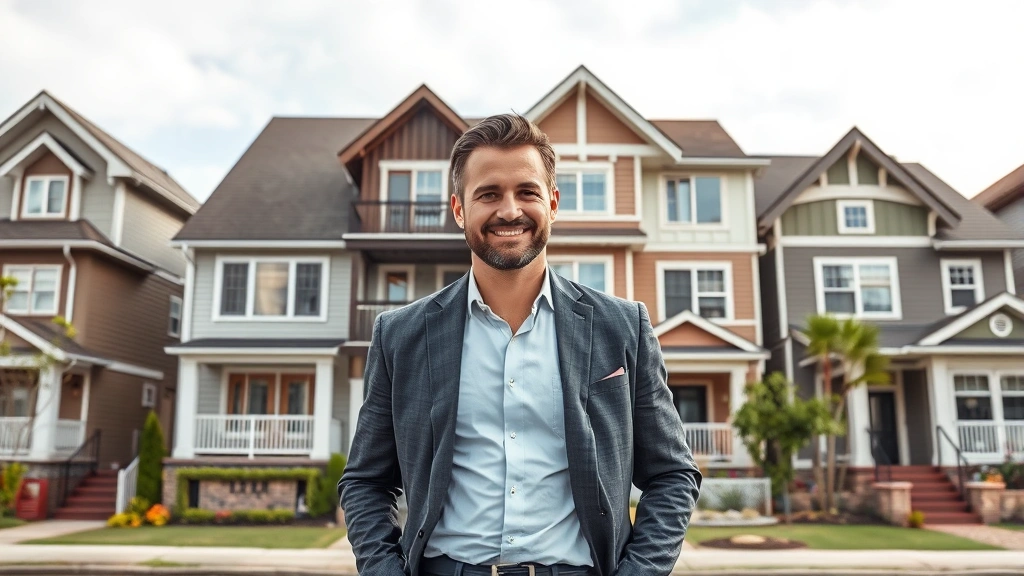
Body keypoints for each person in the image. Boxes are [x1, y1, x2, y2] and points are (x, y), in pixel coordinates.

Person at [339, 113, 701, 576]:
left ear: (553, 203)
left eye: (527, 192)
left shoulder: (623, 327)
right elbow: (365, 481)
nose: (509, 211)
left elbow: (672, 474)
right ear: (458, 209)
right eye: (488, 194)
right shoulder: (400, 335)